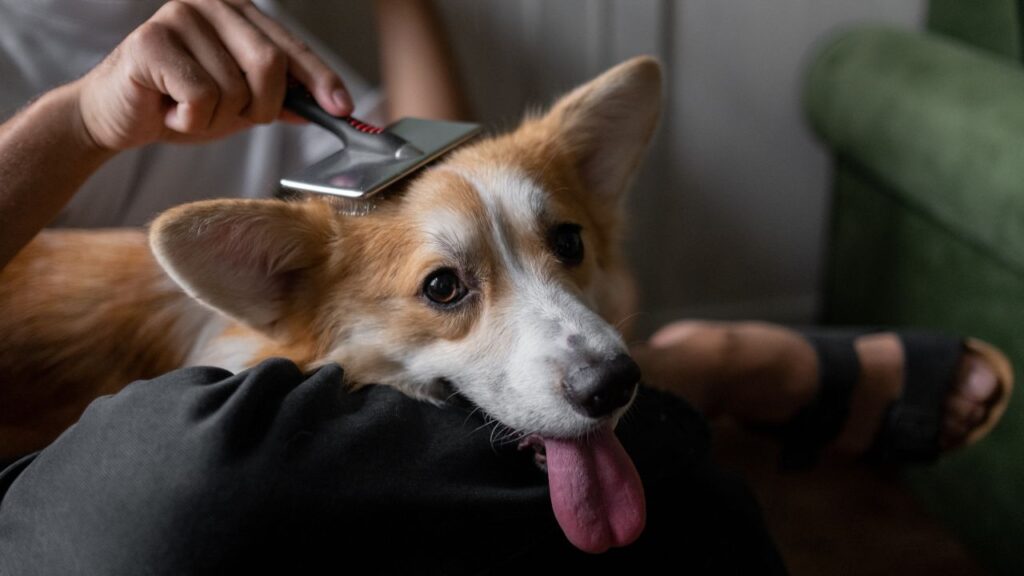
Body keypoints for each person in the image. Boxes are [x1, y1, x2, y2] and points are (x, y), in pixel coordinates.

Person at [0, 0, 1012, 573]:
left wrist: (408, 6)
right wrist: (81, 121)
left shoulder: (243, 18)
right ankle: (698, 374)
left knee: (623, 458)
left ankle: (685, 376)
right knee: (196, 493)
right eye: (450, 287)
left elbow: (437, 169)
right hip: (194, 392)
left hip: (343, 306)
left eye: (568, 243)